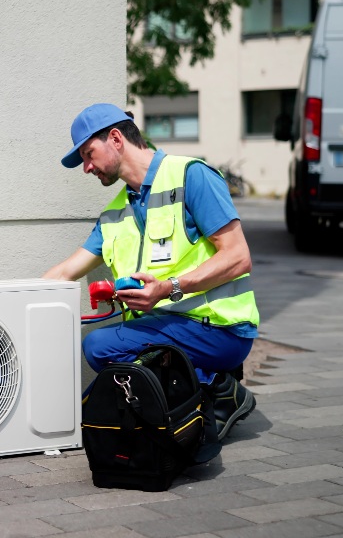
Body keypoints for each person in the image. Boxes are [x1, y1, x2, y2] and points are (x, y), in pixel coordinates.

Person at [43, 103, 259, 441]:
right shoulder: (115, 212)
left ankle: (217, 387)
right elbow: (66, 270)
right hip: (168, 330)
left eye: (88, 154)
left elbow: (238, 256)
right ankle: (200, 396)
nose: (86, 167)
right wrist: (1, 299)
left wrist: (170, 287)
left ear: (115, 138)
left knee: (100, 345)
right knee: (103, 351)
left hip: (221, 329)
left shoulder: (191, 176)